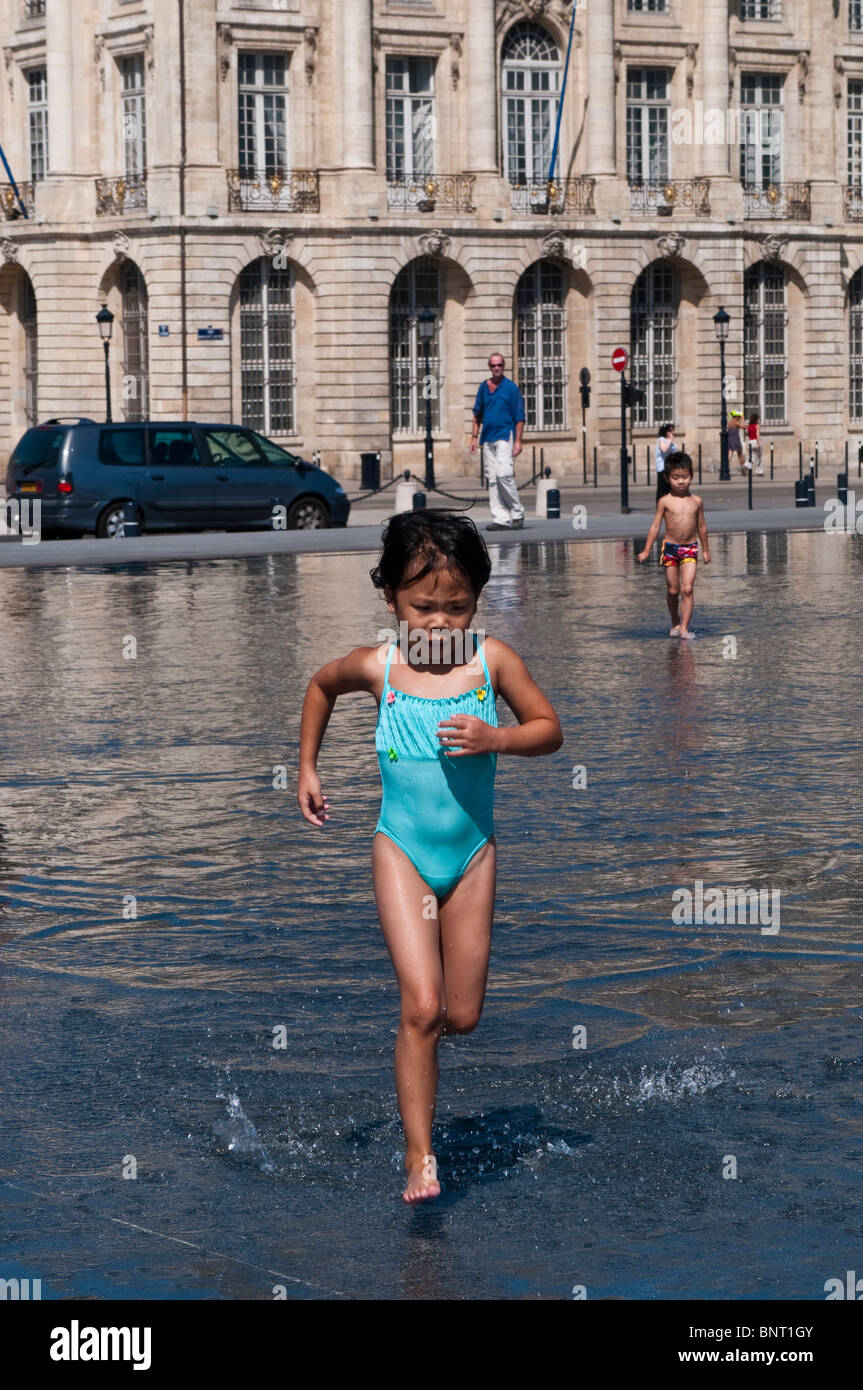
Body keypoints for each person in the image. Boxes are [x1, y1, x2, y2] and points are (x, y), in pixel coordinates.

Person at [296, 511, 563, 1203]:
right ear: (389, 597)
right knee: (421, 1007)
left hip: (472, 857)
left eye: (458, 607)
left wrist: (495, 738)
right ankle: (420, 1156)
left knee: (461, 1016)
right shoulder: (376, 667)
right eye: (422, 607)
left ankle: (417, 1061)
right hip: (401, 851)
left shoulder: (491, 662)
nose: (440, 623)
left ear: (478, 597)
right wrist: (307, 768)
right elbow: (320, 685)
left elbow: (548, 731)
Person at [637, 452, 711, 639]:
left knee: (687, 588)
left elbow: (701, 526)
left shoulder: (696, 501)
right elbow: (655, 526)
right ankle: (674, 621)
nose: (680, 482)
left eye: (684, 477)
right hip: (670, 548)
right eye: (675, 478)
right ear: (667, 478)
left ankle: (685, 627)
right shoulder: (665, 501)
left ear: (691, 475)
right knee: (673, 590)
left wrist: (706, 550)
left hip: (690, 548)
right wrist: (647, 549)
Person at [470, 353, 526, 531]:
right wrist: (474, 437)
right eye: (493, 365)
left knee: (504, 474)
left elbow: (519, 417)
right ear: (489, 366)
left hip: (504, 435)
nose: (496, 368)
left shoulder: (510, 388)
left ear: (504, 366)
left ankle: (517, 512)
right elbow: (477, 414)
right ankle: (500, 518)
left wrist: (518, 440)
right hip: (487, 438)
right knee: (492, 479)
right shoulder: (483, 387)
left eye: (499, 365)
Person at [654, 424, 677, 501]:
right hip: (662, 468)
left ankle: (668, 506)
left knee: (669, 488)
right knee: (661, 488)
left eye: (672, 430)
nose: (672, 432)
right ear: (665, 431)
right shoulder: (661, 440)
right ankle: (660, 506)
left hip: (670, 467)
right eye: (670, 430)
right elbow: (664, 449)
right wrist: (670, 440)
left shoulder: (671, 443)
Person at [728, 410, 746, 475]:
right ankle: (745, 470)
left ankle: (726, 468)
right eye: (739, 416)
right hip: (736, 440)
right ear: (737, 417)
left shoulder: (729, 423)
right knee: (740, 455)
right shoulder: (736, 423)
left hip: (730, 440)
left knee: (729, 454)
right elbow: (744, 427)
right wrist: (743, 419)